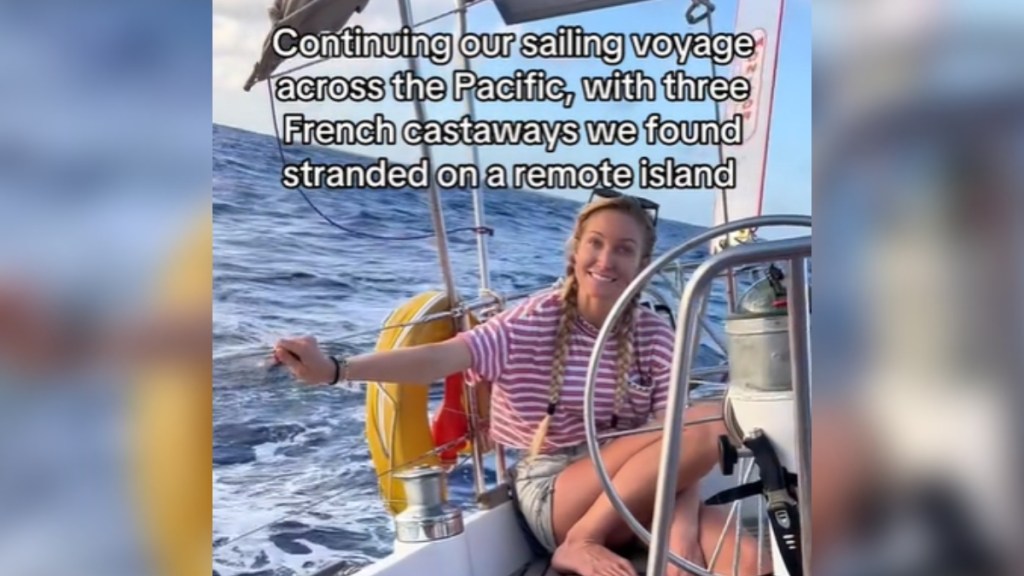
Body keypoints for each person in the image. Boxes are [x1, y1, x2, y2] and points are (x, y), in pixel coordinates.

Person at [274, 195, 768, 576]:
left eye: (624, 249)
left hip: (635, 492)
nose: (606, 258)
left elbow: (675, 458)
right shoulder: (536, 320)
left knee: (750, 563)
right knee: (707, 423)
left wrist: (678, 541)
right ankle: (582, 544)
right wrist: (335, 369)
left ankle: (618, 540)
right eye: (595, 242)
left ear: (642, 264)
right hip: (555, 492)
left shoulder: (656, 336)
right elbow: (441, 358)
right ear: (575, 251)